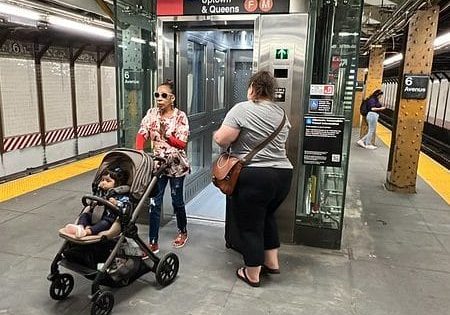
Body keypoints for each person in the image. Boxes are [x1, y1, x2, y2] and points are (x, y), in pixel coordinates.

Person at [213, 70, 293, 287]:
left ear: (253, 88)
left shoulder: (242, 109)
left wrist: (217, 135)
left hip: (256, 176)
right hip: (283, 175)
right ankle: (272, 262)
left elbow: (222, 139)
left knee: (250, 225)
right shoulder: (281, 114)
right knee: (267, 216)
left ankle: (252, 273)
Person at [135, 79, 190, 254]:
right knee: (154, 203)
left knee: (177, 201)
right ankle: (152, 242)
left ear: (172, 98)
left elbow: (181, 143)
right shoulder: (151, 114)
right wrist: (139, 152)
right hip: (157, 165)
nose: (159, 98)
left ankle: (183, 230)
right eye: (157, 95)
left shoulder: (180, 117)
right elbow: (142, 132)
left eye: (164, 95)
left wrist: (166, 135)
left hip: (176, 165)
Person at [64, 166, 131, 238]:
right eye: (102, 180)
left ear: (118, 184)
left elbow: (126, 208)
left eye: (108, 181)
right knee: (85, 215)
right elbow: (91, 203)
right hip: (96, 216)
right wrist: (94, 202)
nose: (103, 182)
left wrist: (116, 203)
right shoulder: (100, 192)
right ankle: (80, 227)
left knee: (104, 223)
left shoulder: (121, 195)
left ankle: (86, 232)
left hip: (110, 219)